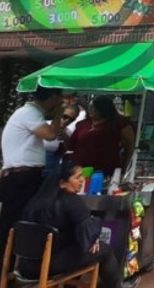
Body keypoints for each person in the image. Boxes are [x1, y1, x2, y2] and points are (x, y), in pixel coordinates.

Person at [19, 159, 123, 288]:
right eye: (77, 177)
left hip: (25, 265)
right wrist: (93, 237)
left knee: (76, 247)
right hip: (47, 265)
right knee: (105, 250)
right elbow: (89, 232)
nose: (82, 180)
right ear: (62, 183)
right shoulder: (71, 200)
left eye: (82, 176)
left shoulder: (36, 201)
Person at [0, 86, 64, 258]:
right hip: (21, 178)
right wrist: (58, 114)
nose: (61, 103)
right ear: (52, 97)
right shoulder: (30, 113)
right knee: (13, 222)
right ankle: (6, 264)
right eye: (60, 99)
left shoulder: (30, 113)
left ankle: (13, 262)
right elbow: (50, 135)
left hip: (23, 176)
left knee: (19, 220)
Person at [68, 95, 135, 176]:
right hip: (80, 171)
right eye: (90, 107)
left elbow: (129, 146)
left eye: (94, 108)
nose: (91, 110)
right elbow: (71, 145)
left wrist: (124, 167)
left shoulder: (119, 123)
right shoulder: (83, 124)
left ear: (103, 109)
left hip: (106, 170)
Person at [43, 103, 80, 176]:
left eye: (71, 119)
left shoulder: (68, 133)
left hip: (53, 168)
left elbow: (67, 150)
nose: (67, 121)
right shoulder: (44, 125)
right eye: (65, 117)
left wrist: (66, 139)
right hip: (37, 164)